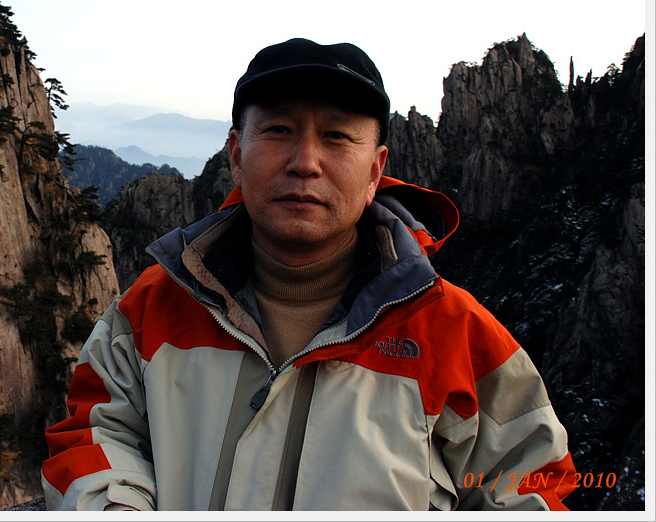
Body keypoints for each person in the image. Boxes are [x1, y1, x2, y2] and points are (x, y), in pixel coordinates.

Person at [41, 38, 577, 511]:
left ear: (375, 170)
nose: (305, 161)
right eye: (278, 130)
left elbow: (531, 485)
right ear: (236, 154)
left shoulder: (455, 333)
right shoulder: (151, 308)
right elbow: (93, 436)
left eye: (338, 136)